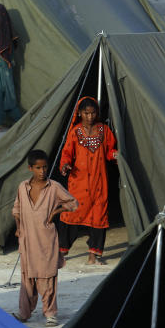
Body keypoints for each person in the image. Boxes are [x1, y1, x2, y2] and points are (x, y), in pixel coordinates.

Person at [12, 149, 78, 326]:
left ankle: (50, 314)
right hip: (27, 240)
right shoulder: (22, 187)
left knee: (48, 276)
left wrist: (56, 211)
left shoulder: (54, 187)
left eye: (45, 167)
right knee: (27, 277)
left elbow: (73, 203)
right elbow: (16, 209)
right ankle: (24, 313)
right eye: (38, 168)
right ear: (30, 168)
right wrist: (18, 228)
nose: (42, 171)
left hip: (46, 240)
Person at [58, 97, 118, 265]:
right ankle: (62, 254)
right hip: (79, 183)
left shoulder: (104, 130)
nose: (90, 117)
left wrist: (115, 155)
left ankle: (93, 255)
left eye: (93, 113)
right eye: (86, 113)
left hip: (99, 183)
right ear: (79, 113)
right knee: (70, 215)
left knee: (98, 217)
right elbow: (67, 153)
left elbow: (109, 150)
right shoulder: (75, 132)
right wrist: (65, 165)